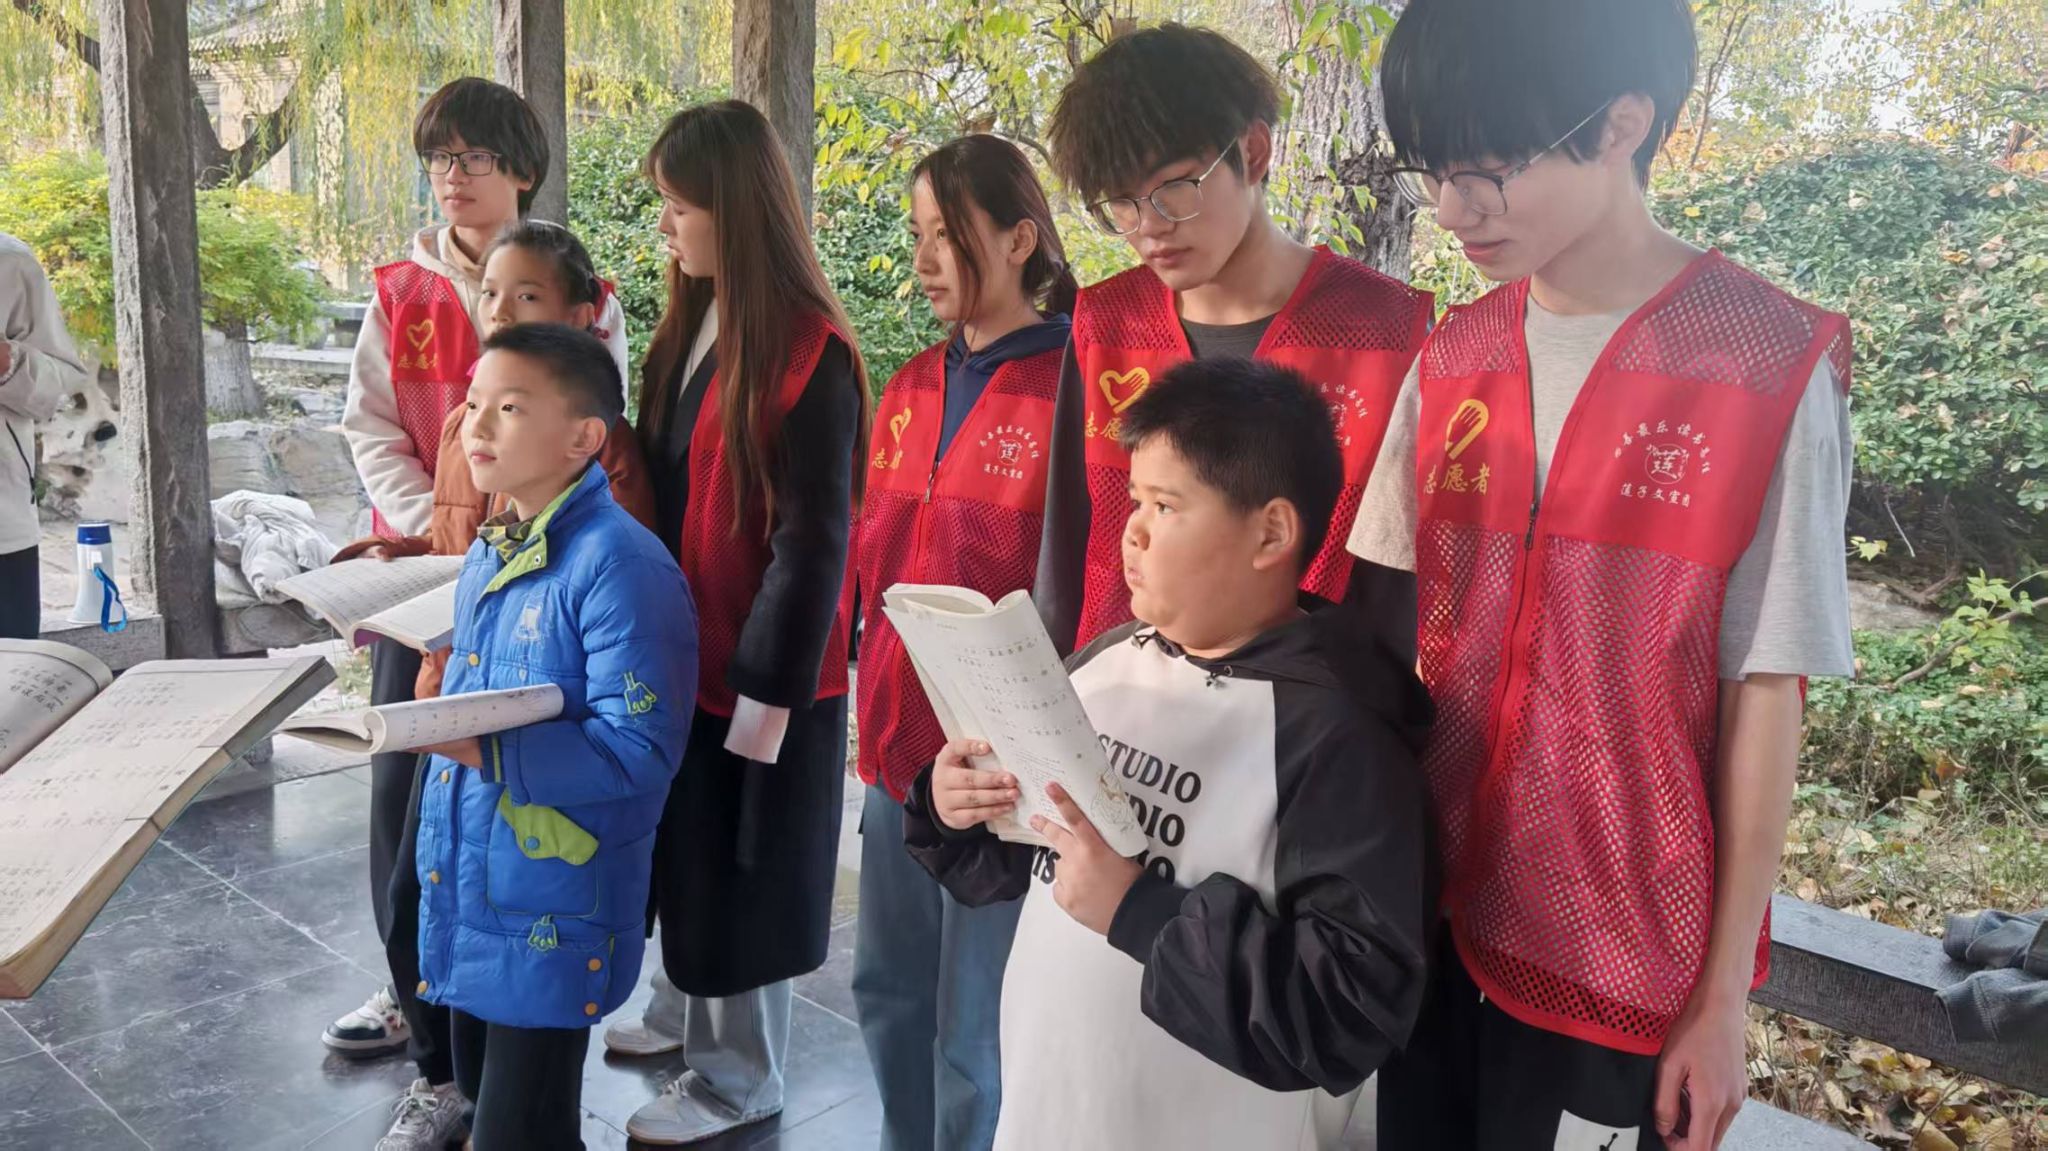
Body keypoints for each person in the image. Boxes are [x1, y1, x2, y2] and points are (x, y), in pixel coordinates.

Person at [1352, 2, 1855, 1148]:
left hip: (1622, 944)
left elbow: (1765, 692)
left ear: (1621, 122)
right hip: (1427, 915)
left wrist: (1720, 999)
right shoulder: (1453, 356)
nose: (1451, 211)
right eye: (1432, 172)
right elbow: (1378, 636)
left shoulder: (1764, 366)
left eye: (1485, 171)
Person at [906, 357, 1433, 1150]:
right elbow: (1011, 862)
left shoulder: (1336, 736)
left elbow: (1348, 1005)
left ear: (1271, 533)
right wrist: (953, 808)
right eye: (1133, 500)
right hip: (1047, 1117)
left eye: (1166, 505)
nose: (1134, 531)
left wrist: (1138, 911)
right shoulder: (1105, 664)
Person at [331, 75, 630, 1096]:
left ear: (523, 171)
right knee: (401, 799)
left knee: (501, 803)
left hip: (529, 587)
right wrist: (431, 520)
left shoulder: (576, 289)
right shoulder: (400, 292)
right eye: (439, 159)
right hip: (422, 579)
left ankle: (494, 1002)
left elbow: (593, 436)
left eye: (475, 158)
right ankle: (408, 986)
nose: (452, 176)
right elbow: (369, 423)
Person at [617, 100, 871, 1146]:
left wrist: (767, 689)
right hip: (686, 654)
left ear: (735, 208)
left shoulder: (811, 355)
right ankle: (682, 1010)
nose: (666, 226)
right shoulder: (691, 324)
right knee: (688, 853)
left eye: (680, 206)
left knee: (743, 874)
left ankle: (739, 1079)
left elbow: (814, 544)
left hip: (762, 671)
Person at [1031, 23, 1432, 660]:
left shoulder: (1388, 331)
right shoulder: (1107, 325)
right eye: (1122, 203)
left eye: (1175, 188)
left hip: (1304, 706)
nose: (1149, 227)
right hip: (1114, 697)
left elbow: (1396, 587)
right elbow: (1065, 551)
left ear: (1254, 151)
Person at [410, 322, 694, 1151]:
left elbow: (640, 747)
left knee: (519, 1128)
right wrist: (444, 693)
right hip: (478, 882)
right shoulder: (496, 543)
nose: (477, 425)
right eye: (473, 404)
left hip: (552, 905)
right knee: (491, 1107)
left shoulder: (620, 565)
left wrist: (483, 746)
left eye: (509, 407)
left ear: (583, 438)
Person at [848, 134, 1076, 1151]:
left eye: (948, 234)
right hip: (894, 752)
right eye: (918, 234)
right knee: (885, 989)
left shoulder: (1073, 390)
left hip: (998, 765)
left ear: (1020, 239)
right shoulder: (907, 389)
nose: (924, 258)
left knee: (975, 1029)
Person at [0, 233, 88, 639]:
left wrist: (8, 362)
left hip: (3, 532)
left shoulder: (9, 261)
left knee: (11, 675)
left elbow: (63, 384)